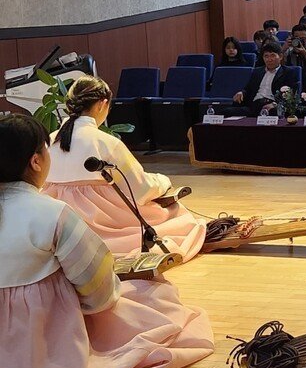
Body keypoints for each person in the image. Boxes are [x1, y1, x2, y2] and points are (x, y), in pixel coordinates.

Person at [0, 114, 214, 368]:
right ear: (36, 161)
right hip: (38, 337)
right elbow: (97, 286)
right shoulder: (52, 213)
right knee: (155, 294)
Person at [43, 77, 206, 260]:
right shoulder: (106, 142)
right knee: (179, 216)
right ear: (102, 104)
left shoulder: (50, 139)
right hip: (103, 221)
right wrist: (162, 181)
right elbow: (140, 189)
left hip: (56, 223)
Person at [230, 42, 299, 116]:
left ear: (281, 56)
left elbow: (292, 95)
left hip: (272, 105)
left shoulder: (289, 72)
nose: (269, 59)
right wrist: (242, 92)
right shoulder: (257, 71)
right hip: (254, 105)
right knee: (226, 111)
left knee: (274, 112)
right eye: (266, 56)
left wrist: (275, 104)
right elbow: (248, 89)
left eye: (272, 55)